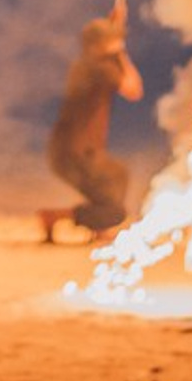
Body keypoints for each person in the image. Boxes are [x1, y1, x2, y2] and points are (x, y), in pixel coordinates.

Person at [39, 13, 143, 242]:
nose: (117, 44)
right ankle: (55, 217)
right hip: (76, 154)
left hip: (71, 151)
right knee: (113, 210)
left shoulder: (86, 63)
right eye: (111, 41)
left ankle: (97, 226)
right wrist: (121, 54)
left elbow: (99, 46)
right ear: (98, 46)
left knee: (117, 177)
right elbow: (134, 89)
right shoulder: (100, 69)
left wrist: (111, 28)